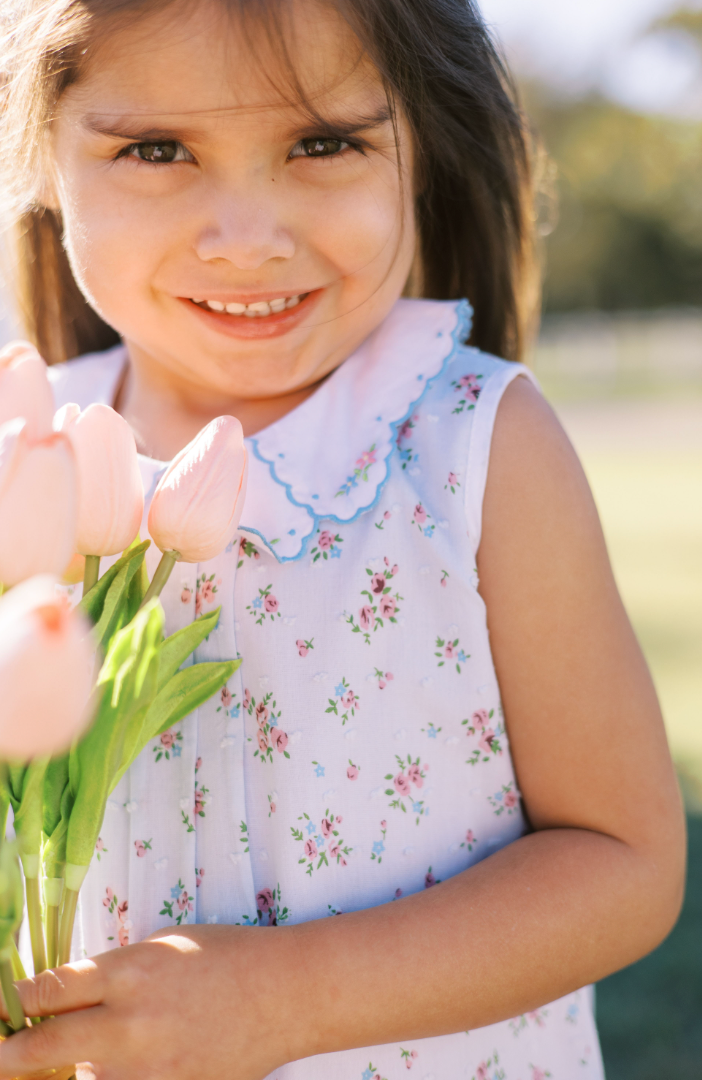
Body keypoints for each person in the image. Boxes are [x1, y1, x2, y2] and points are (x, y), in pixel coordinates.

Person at [0, 1, 685, 1078]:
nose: (248, 235)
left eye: (322, 142)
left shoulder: (474, 447)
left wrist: (288, 999)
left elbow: (625, 861)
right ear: (37, 153)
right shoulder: (21, 454)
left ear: (422, 146)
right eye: (156, 149)